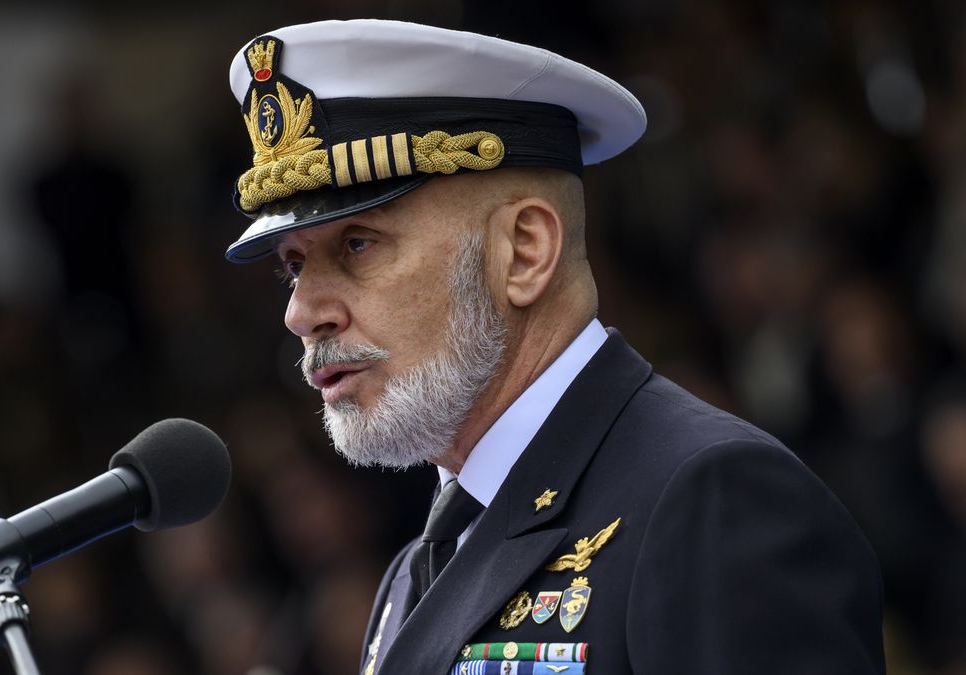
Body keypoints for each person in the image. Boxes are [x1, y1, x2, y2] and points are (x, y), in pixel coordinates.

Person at [221, 19, 885, 675]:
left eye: (358, 245)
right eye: (293, 265)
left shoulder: (712, 502)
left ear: (525, 251)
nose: (301, 313)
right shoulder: (411, 574)